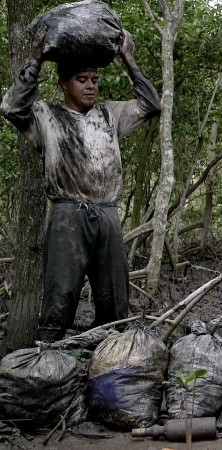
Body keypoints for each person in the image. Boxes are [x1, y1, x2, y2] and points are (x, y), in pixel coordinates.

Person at [0, 29, 161, 342]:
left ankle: (108, 368)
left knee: (115, 301)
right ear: (63, 83)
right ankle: (48, 368)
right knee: (59, 298)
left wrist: (128, 59)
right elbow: (11, 108)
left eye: (94, 79)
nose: (90, 86)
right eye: (81, 79)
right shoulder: (46, 115)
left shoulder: (110, 114)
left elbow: (151, 105)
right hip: (67, 217)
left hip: (107, 217)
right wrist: (36, 60)